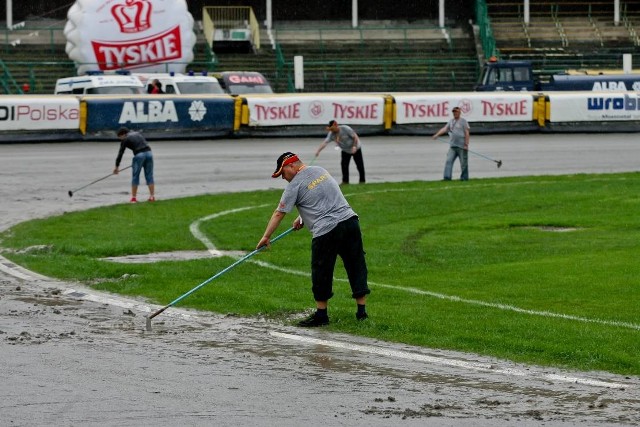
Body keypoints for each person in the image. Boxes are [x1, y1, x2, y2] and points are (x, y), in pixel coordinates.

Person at [256, 152, 370, 327]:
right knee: (356, 265)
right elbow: (323, 198)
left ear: (291, 166)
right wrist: (302, 218)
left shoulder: (294, 185)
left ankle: (321, 315)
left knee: (321, 271)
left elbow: (279, 213)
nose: (283, 178)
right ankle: (362, 313)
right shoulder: (320, 171)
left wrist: (266, 236)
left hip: (327, 231)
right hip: (350, 223)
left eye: (282, 173)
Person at [315, 119, 365, 185]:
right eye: (331, 130)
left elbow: (355, 137)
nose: (332, 131)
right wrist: (318, 151)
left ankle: (362, 181)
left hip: (355, 148)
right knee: (344, 165)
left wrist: (354, 146)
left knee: (359, 165)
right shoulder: (331, 134)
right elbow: (325, 142)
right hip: (345, 150)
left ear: (336, 125)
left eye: (332, 129)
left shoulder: (345, 129)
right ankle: (345, 181)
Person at [114, 127, 155, 203]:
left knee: (135, 176)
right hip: (149, 153)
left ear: (123, 134)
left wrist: (116, 167)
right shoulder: (138, 133)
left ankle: (133, 198)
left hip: (139, 155)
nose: (120, 139)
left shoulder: (125, 139)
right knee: (149, 175)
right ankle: (152, 197)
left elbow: (121, 153)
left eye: (119, 137)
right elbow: (146, 145)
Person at [432, 106, 470, 181]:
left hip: (462, 146)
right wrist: (437, 134)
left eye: (456, 112)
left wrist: (466, 144)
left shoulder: (463, 121)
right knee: (448, 161)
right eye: (454, 112)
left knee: (463, 163)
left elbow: (467, 132)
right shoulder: (451, 121)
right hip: (453, 146)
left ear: (459, 112)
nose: (455, 113)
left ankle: (464, 178)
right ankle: (447, 177)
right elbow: (445, 129)